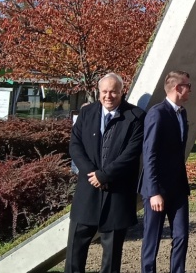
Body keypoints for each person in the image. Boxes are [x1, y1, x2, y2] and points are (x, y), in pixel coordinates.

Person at [65, 73, 144, 273]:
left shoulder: (136, 116)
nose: (109, 96)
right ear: (99, 92)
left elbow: (131, 153)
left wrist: (105, 175)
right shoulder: (86, 113)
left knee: (111, 255)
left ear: (121, 92)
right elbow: (75, 146)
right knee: (75, 250)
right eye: (105, 92)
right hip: (87, 191)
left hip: (117, 193)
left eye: (113, 92)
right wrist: (93, 174)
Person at [140, 70, 193, 273]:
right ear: (178, 88)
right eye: (188, 86)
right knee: (152, 239)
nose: (190, 90)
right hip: (157, 189)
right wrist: (154, 192)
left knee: (181, 236)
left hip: (178, 188)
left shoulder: (182, 112)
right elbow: (149, 154)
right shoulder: (157, 113)